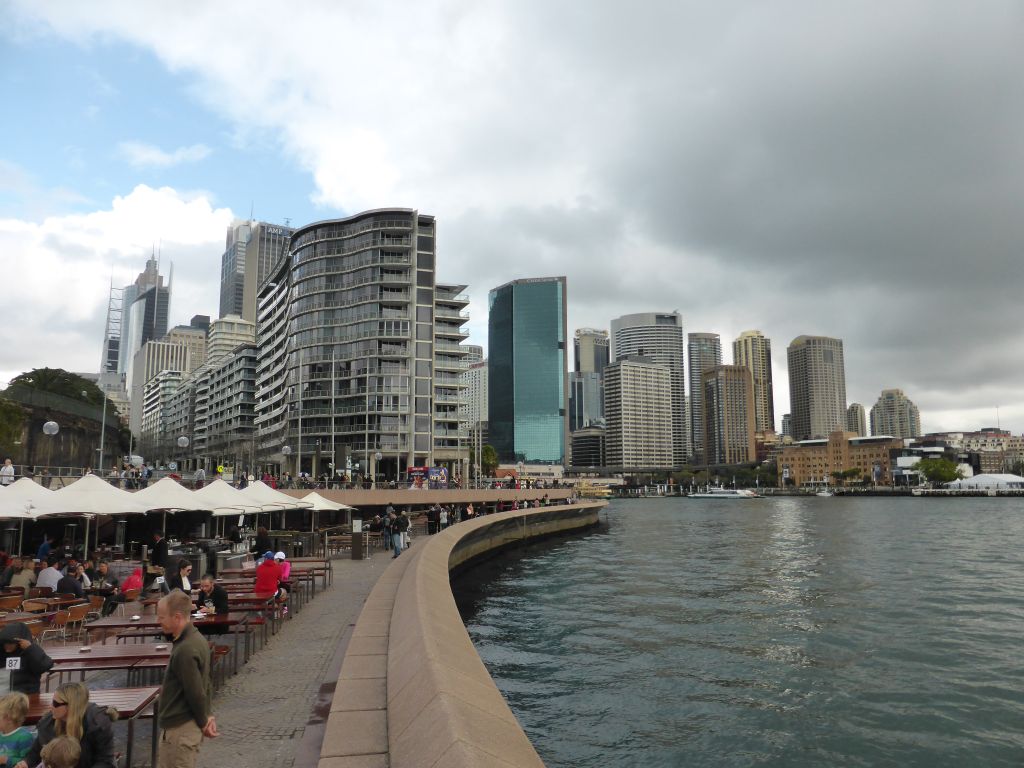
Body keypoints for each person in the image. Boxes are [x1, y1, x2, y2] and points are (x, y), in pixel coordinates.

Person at [156, 590, 217, 768]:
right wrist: (208, 715)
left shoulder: (186, 649)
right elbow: (206, 683)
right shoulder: (196, 639)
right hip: (181, 728)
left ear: (177, 617)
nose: (159, 622)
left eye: (161, 617)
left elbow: (195, 691)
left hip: (180, 729)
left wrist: (204, 721)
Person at [17, 682, 117, 768]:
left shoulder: (96, 725)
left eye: (55, 703)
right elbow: (35, 752)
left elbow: (105, 761)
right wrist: (25, 763)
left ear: (71, 706)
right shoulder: (48, 722)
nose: (51, 706)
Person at [0, 622, 54, 694]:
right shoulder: (2, 653)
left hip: (22, 698)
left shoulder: (29, 653)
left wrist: (30, 648)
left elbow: (45, 666)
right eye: (5, 643)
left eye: (10, 643)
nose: (7, 645)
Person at [0, 692, 34, 766]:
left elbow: (28, 761)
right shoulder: (1, 734)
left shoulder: (24, 737)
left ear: (8, 718)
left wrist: (6, 760)